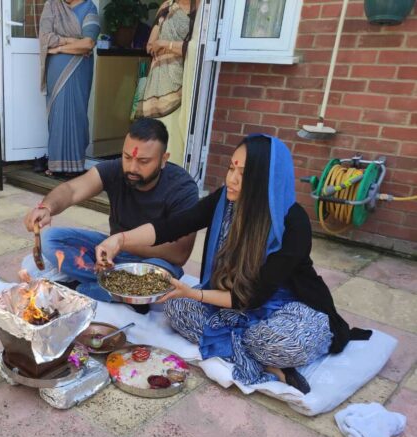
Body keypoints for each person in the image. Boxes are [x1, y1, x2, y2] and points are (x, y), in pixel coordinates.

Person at [95, 134, 371, 393]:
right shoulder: (224, 201)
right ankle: (251, 349)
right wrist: (120, 240)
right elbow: (174, 225)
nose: (232, 179)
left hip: (284, 305)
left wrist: (194, 293)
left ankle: (264, 355)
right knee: (176, 307)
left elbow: (253, 296)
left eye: (243, 174)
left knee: (284, 342)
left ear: (266, 179)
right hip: (232, 301)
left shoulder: (292, 222)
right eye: (231, 169)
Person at [23, 118, 198, 304]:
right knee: (51, 239)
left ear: (164, 160)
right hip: (110, 254)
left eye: (143, 161)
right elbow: (72, 190)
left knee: (162, 279)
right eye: (127, 157)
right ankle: (117, 292)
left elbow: (179, 254)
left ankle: (85, 288)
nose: (132, 167)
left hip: (154, 261)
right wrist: (47, 207)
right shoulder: (116, 169)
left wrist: (121, 243)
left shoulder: (182, 188)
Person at [39, 0, 101, 176]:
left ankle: (75, 165)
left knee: (77, 112)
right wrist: (71, 42)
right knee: (57, 114)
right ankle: (56, 164)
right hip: (56, 71)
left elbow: (88, 43)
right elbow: (45, 38)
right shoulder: (51, 6)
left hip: (79, 69)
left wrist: (57, 49)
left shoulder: (90, 8)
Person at [136, 0, 197, 165]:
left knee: (175, 129)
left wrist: (166, 44)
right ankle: (153, 168)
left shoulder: (201, 10)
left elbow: (196, 48)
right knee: (157, 128)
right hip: (160, 77)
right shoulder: (167, 7)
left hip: (184, 77)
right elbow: (151, 45)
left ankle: (173, 169)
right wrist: (159, 46)